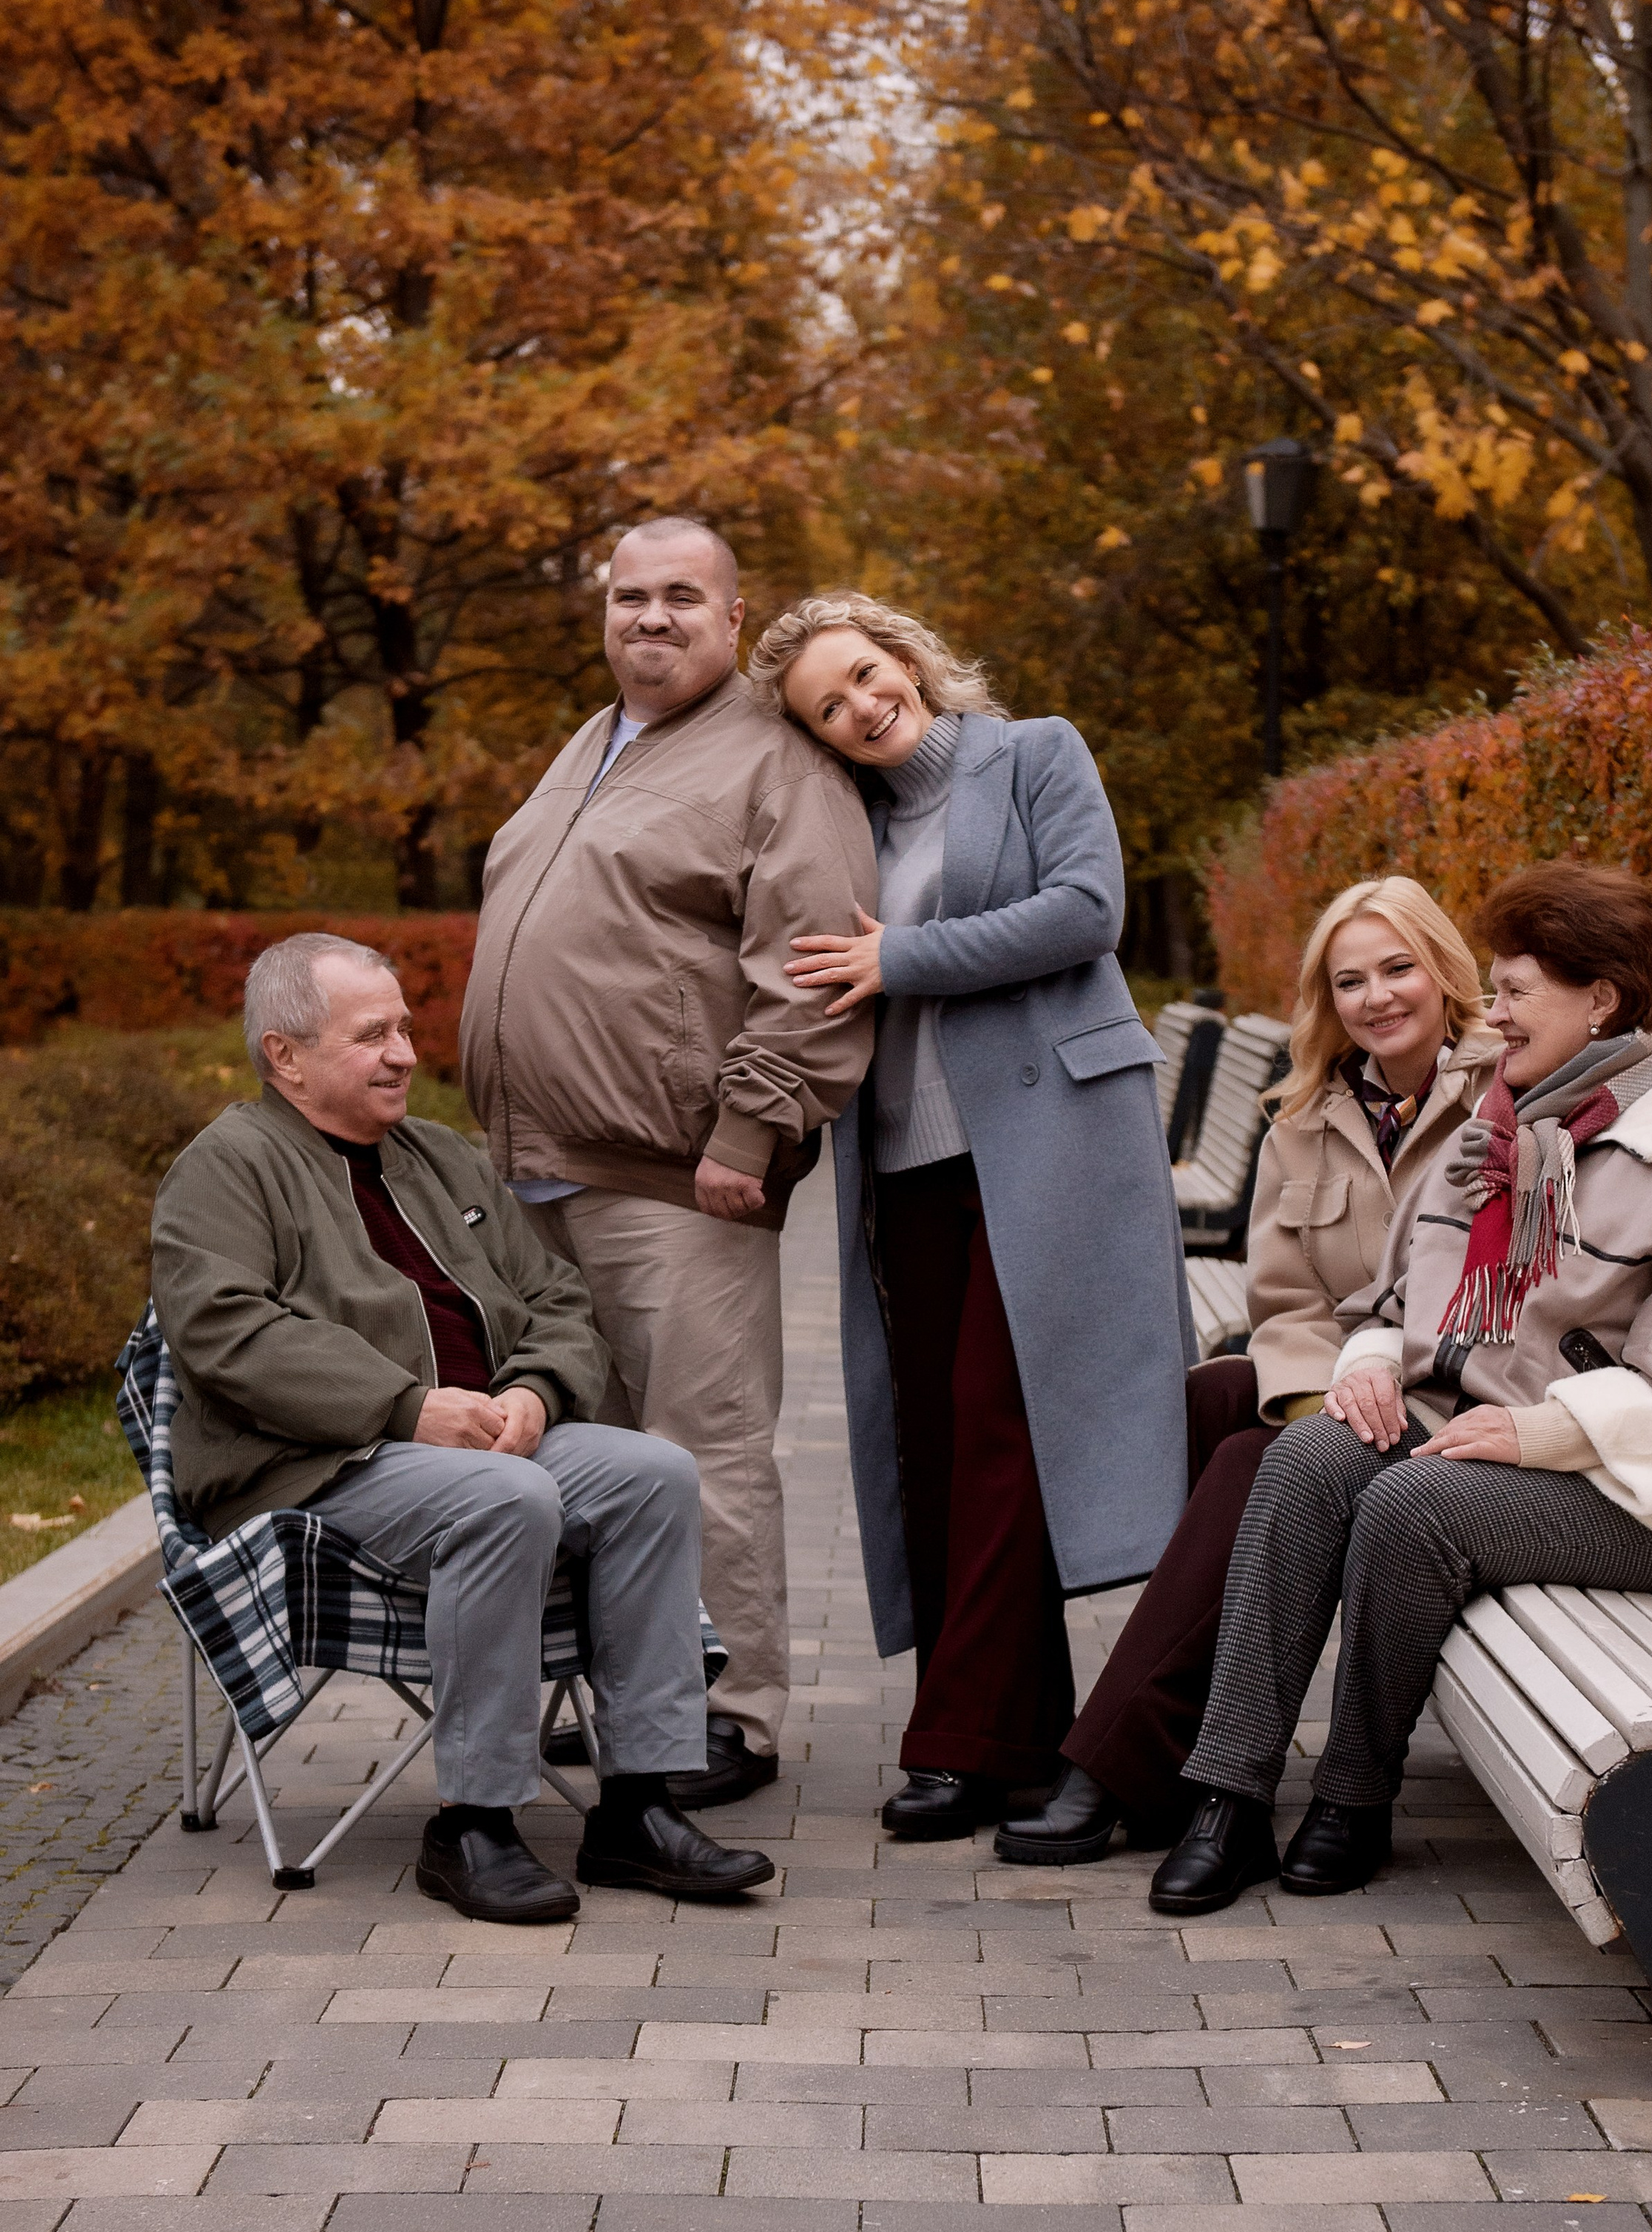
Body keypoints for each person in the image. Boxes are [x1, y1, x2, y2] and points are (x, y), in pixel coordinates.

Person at [1001, 877, 1652, 1867]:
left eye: (1514, 993)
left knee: (1405, 1504)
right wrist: (1369, 1366)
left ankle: (1351, 1800)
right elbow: (1391, 1297)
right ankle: (1227, 1793)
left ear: (1600, 1000)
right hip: (1484, 1423)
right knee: (1301, 1458)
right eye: (1495, 992)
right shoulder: (1513, 1128)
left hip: (1651, 1493)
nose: (1496, 1015)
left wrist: (1532, 1430)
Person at [152, 934, 771, 1924]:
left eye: (404, 1029)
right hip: (316, 1462)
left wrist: (535, 1391)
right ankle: (473, 1824)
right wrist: (405, 1408)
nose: (403, 1053)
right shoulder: (227, 1167)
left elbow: (558, 1297)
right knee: (506, 1496)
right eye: (372, 1035)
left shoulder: (439, 1156)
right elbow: (224, 1334)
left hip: (481, 1439)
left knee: (655, 1472)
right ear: (286, 1055)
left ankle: (638, 1804)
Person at [748, 591, 1195, 1839]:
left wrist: (902, 958)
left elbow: (1087, 912)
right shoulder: (848, 822)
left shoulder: (1036, 752)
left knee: (1004, 1425)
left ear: (907, 655)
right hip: (905, 1159)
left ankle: (955, 1742)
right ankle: (1019, 1739)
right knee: (937, 1439)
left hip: (1053, 1141)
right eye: (827, 708)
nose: (860, 707)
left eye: (864, 673)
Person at [459, 516, 879, 1810]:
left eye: (682, 596)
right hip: (538, 1179)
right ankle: (642, 1705)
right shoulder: (592, 742)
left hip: (680, 1182)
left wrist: (751, 1132)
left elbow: (813, 969)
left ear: (734, 618)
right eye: (630, 596)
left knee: (704, 1453)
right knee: (596, 1461)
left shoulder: (778, 764)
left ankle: (728, 1717)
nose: (651, 617)